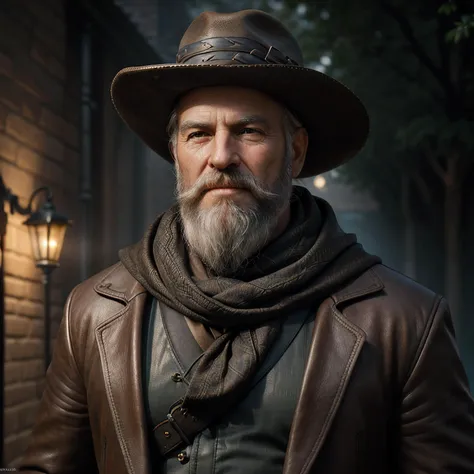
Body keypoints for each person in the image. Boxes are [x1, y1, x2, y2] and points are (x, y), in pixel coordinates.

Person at [18, 9, 474, 474]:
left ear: (294, 150)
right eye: (199, 134)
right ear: (176, 152)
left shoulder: (404, 324)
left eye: (248, 131)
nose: (221, 156)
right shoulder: (92, 314)